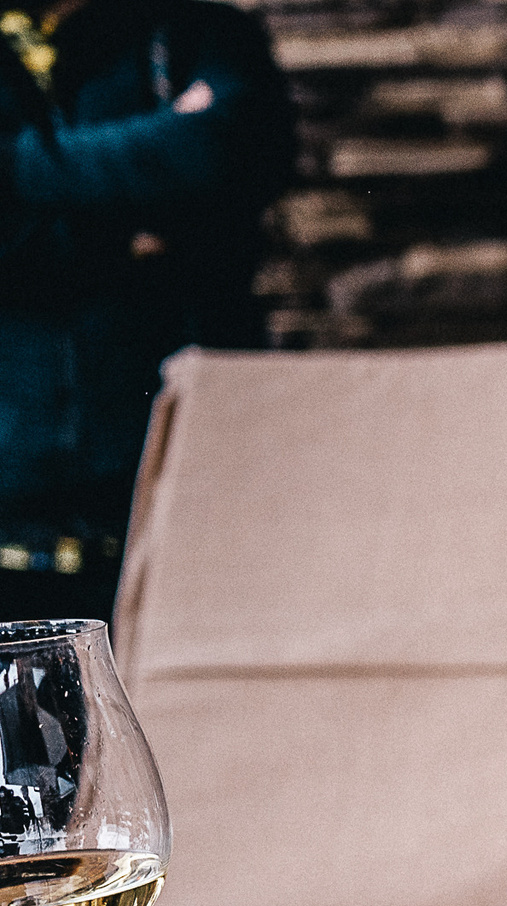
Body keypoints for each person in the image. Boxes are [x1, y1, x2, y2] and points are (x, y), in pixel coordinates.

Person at [0, 0, 293, 620]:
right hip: (13, 515)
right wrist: (140, 211)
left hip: (192, 485)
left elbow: (221, 149)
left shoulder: (201, 33)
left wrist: (26, 168)